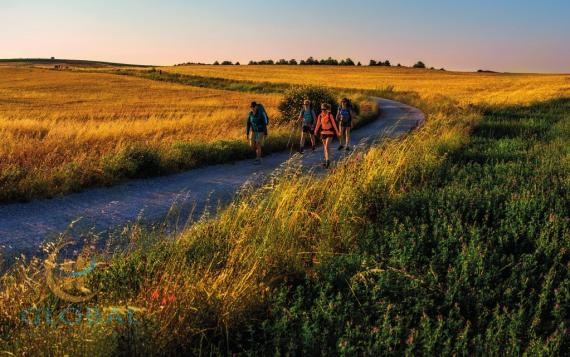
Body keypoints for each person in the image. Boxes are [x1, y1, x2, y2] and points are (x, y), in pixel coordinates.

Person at [314, 103, 340, 168]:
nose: (323, 110)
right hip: (323, 133)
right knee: (325, 147)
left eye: (324, 109)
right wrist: (315, 131)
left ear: (327, 109)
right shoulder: (320, 116)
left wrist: (337, 133)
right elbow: (318, 124)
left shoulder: (330, 115)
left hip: (330, 132)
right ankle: (327, 161)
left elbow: (334, 124)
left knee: (327, 146)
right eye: (322, 109)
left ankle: (327, 160)